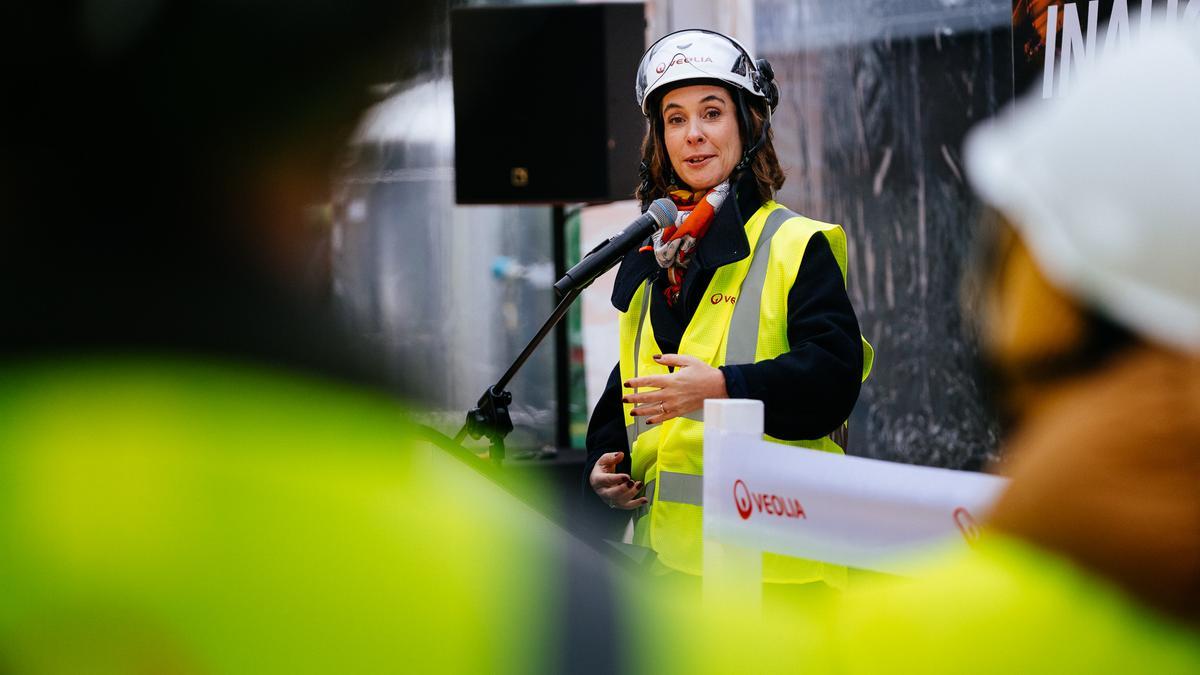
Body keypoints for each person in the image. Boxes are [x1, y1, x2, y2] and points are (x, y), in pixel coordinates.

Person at [585, 29, 873, 587]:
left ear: (747, 124)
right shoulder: (653, 256)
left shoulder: (795, 244)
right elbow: (630, 389)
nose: (693, 135)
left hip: (783, 577)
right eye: (674, 119)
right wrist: (602, 466)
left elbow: (834, 380)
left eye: (711, 113)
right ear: (658, 140)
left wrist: (721, 387)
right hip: (671, 570)